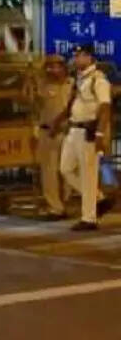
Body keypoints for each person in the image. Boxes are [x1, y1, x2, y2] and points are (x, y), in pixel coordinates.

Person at [58, 43, 114, 231]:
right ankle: (98, 198)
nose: (76, 59)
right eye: (76, 56)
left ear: (90, 57)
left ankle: (89, 218)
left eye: (80, 55)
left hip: (88, 131)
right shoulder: (79, 79)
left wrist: (100, 133)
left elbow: (105, 107)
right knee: (65, 169)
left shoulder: (99, 79)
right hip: (74, 129)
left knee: (88, 175)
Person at [34, 54, 72, 220]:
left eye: (56, 66)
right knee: (49, 172)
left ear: (63, 67)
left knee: (67, 170)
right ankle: (55, 207)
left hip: (68, 132)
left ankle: (65, 202)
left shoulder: (73, 85)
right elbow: (30, 102)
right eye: (49, 66)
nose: (52, 70)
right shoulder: (42, 85)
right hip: (48, 133)